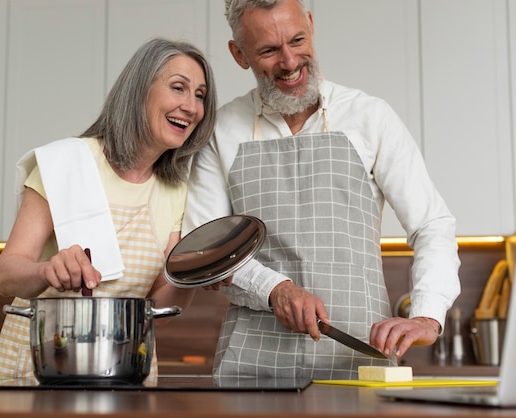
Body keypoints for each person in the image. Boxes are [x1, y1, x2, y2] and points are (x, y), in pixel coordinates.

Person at [182, 0, 461, 380]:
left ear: (311, 26)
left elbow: (432, 224)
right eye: (268, 50)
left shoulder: (370, 117)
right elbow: (207, 250)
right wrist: (274, 288)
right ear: (239, 54)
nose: (290, 61)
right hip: (251, 366)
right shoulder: (220, 129)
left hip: (360, 361)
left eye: (297, 40)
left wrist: (427, 313)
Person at [0, 37, 217, 384]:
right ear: (139, 90)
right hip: (43, 366)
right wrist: (46, 271)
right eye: (178, 88)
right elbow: (6, 275)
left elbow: (159, 308)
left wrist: (196, 272)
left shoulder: (176, 191)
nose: (191, 106)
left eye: (200, 95)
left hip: (125, 370)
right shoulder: (66, 162)